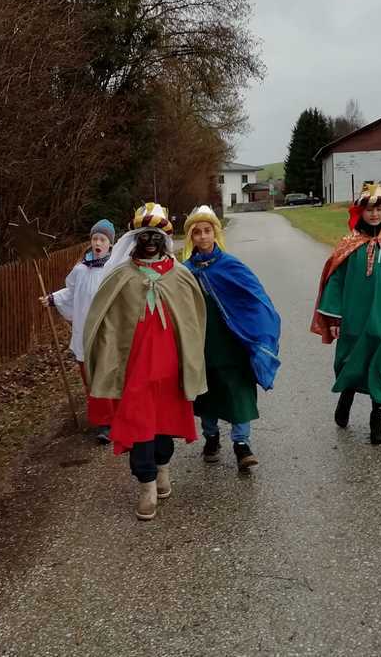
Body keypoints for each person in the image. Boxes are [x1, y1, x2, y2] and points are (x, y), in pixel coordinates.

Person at [83, 202, 207, 520]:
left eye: (155, 236)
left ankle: (162, 468)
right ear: (135, 239)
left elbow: (193, 322)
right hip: (135, 369)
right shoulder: (121, 276)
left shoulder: (180, 276)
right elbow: (107, 323)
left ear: (164, 239)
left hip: (169, 367)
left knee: (164, 422)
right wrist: (105, 359)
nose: (150, 242)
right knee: (139, 424)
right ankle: (147, 485)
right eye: (144, 236)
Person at [310, 183, 381, 444]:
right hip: (355, 321)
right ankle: (346, 396)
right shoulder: (348, 245)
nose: (374, 214)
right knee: (351, 363)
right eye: (369, 209)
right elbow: (335, 282)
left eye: (379, 209)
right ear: (360, 212)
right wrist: (334, 318)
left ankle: (377, 421)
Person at [183, 206, 281, 471]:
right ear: (191, 237)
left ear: (215, 233)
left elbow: (256, 299)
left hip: (232, 344)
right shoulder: (185, 271)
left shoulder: (231, 265)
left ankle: (241, 444)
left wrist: (259, 333)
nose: (203, 236)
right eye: (197, 232)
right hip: (202, 345)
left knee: (238, 392)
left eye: (207, 231)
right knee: (206, 394)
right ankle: (211, 438)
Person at [41, 219, 118, 443]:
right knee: (90, 378)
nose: (98, 243)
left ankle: (114, 419)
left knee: (107, 375)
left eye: (102, 239)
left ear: (110, 244)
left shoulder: (114, 270)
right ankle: (103, 421)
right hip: (84, 332)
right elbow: (71, 292)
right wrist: (52, 299)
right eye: (95, 238)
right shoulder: (80, 269)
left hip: (107, 333)